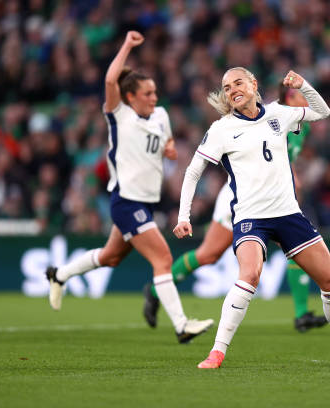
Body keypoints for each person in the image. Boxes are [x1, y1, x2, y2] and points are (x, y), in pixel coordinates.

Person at [173, 67, 330, 368]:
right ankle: (216, 352)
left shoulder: (280, 113)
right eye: (227, 87)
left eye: (238, 83)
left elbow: (323, 111)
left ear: (254, 84)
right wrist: (183, 215)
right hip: (250, 217)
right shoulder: (221, 129)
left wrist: (303, 85)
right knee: (250, 274)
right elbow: (192, 172)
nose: (232, 90)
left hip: (288, 214)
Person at [45, 31, 213, 344]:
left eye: (155, 92)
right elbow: (111, 82)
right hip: (126, 202)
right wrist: (127, 45)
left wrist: (171, 148)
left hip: (146, 202)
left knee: (111, 257)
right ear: (131, 97)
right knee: (163, 259)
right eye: (147, 93)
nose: (154, 97)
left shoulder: (161, 115)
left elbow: (167, 138)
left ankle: (60, 275)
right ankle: (181, 325)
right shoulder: (119, 116)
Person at [141, 84, 327, 333]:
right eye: (302, 96)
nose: (306, 101)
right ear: (290, 97)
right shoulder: (268, 116)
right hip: (242, 197)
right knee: (208, 254)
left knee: (295, 248)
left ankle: (301, 313)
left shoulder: (296, 126)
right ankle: (156, 289)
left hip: (272, 199)